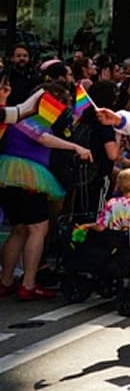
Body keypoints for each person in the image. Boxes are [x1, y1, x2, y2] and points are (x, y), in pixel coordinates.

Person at [0, 78, 90, 299]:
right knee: (38, 229)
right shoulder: (35, 114)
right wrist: (76, 146)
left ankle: (6, 280)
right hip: (28, 176)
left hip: (7, 174)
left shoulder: (16, 113)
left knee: (19, 229)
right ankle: (28, 284)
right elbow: (42, 138)